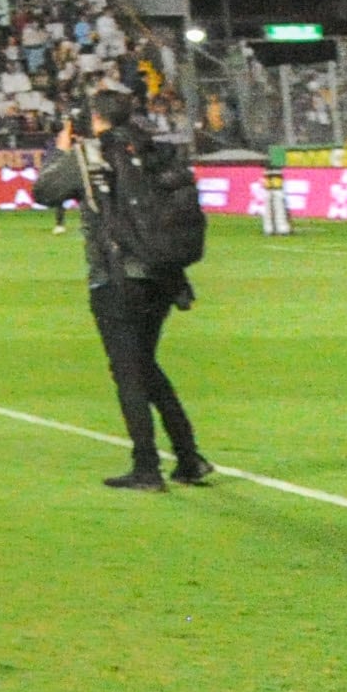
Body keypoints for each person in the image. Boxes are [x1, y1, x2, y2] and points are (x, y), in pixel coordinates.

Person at [32, 92, 214, 491]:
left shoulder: (93, 155)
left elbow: (44, 191)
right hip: (164, 274)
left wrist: (61, 151)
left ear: (94, 120)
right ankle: (188, 457)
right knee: (145, 365)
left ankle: (146, 466)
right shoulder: (155, 150)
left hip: (117, 276)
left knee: (129, 371)